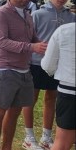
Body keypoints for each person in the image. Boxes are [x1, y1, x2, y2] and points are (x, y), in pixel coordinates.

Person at [0, 0, 48, 150]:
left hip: (24, 69)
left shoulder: (28, 15)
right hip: (4, 69)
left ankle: (7, 147)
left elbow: (32, 37)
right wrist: (32, 47)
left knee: (15, 112)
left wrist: (43, 44)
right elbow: (1, 42)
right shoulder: (1, 13)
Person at [21, 0, 76, 149]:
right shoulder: (37, 14)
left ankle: (47, 136)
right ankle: (29, 136)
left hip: (58, 66)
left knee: (51, 99)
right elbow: (28, 38)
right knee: (31, 98)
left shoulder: (71, 17)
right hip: (37, 63)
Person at [41, 22, 75, 150]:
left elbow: (48, 65)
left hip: (69, 91)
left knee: (62, 142)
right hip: (69, 90)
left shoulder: (64, 31)